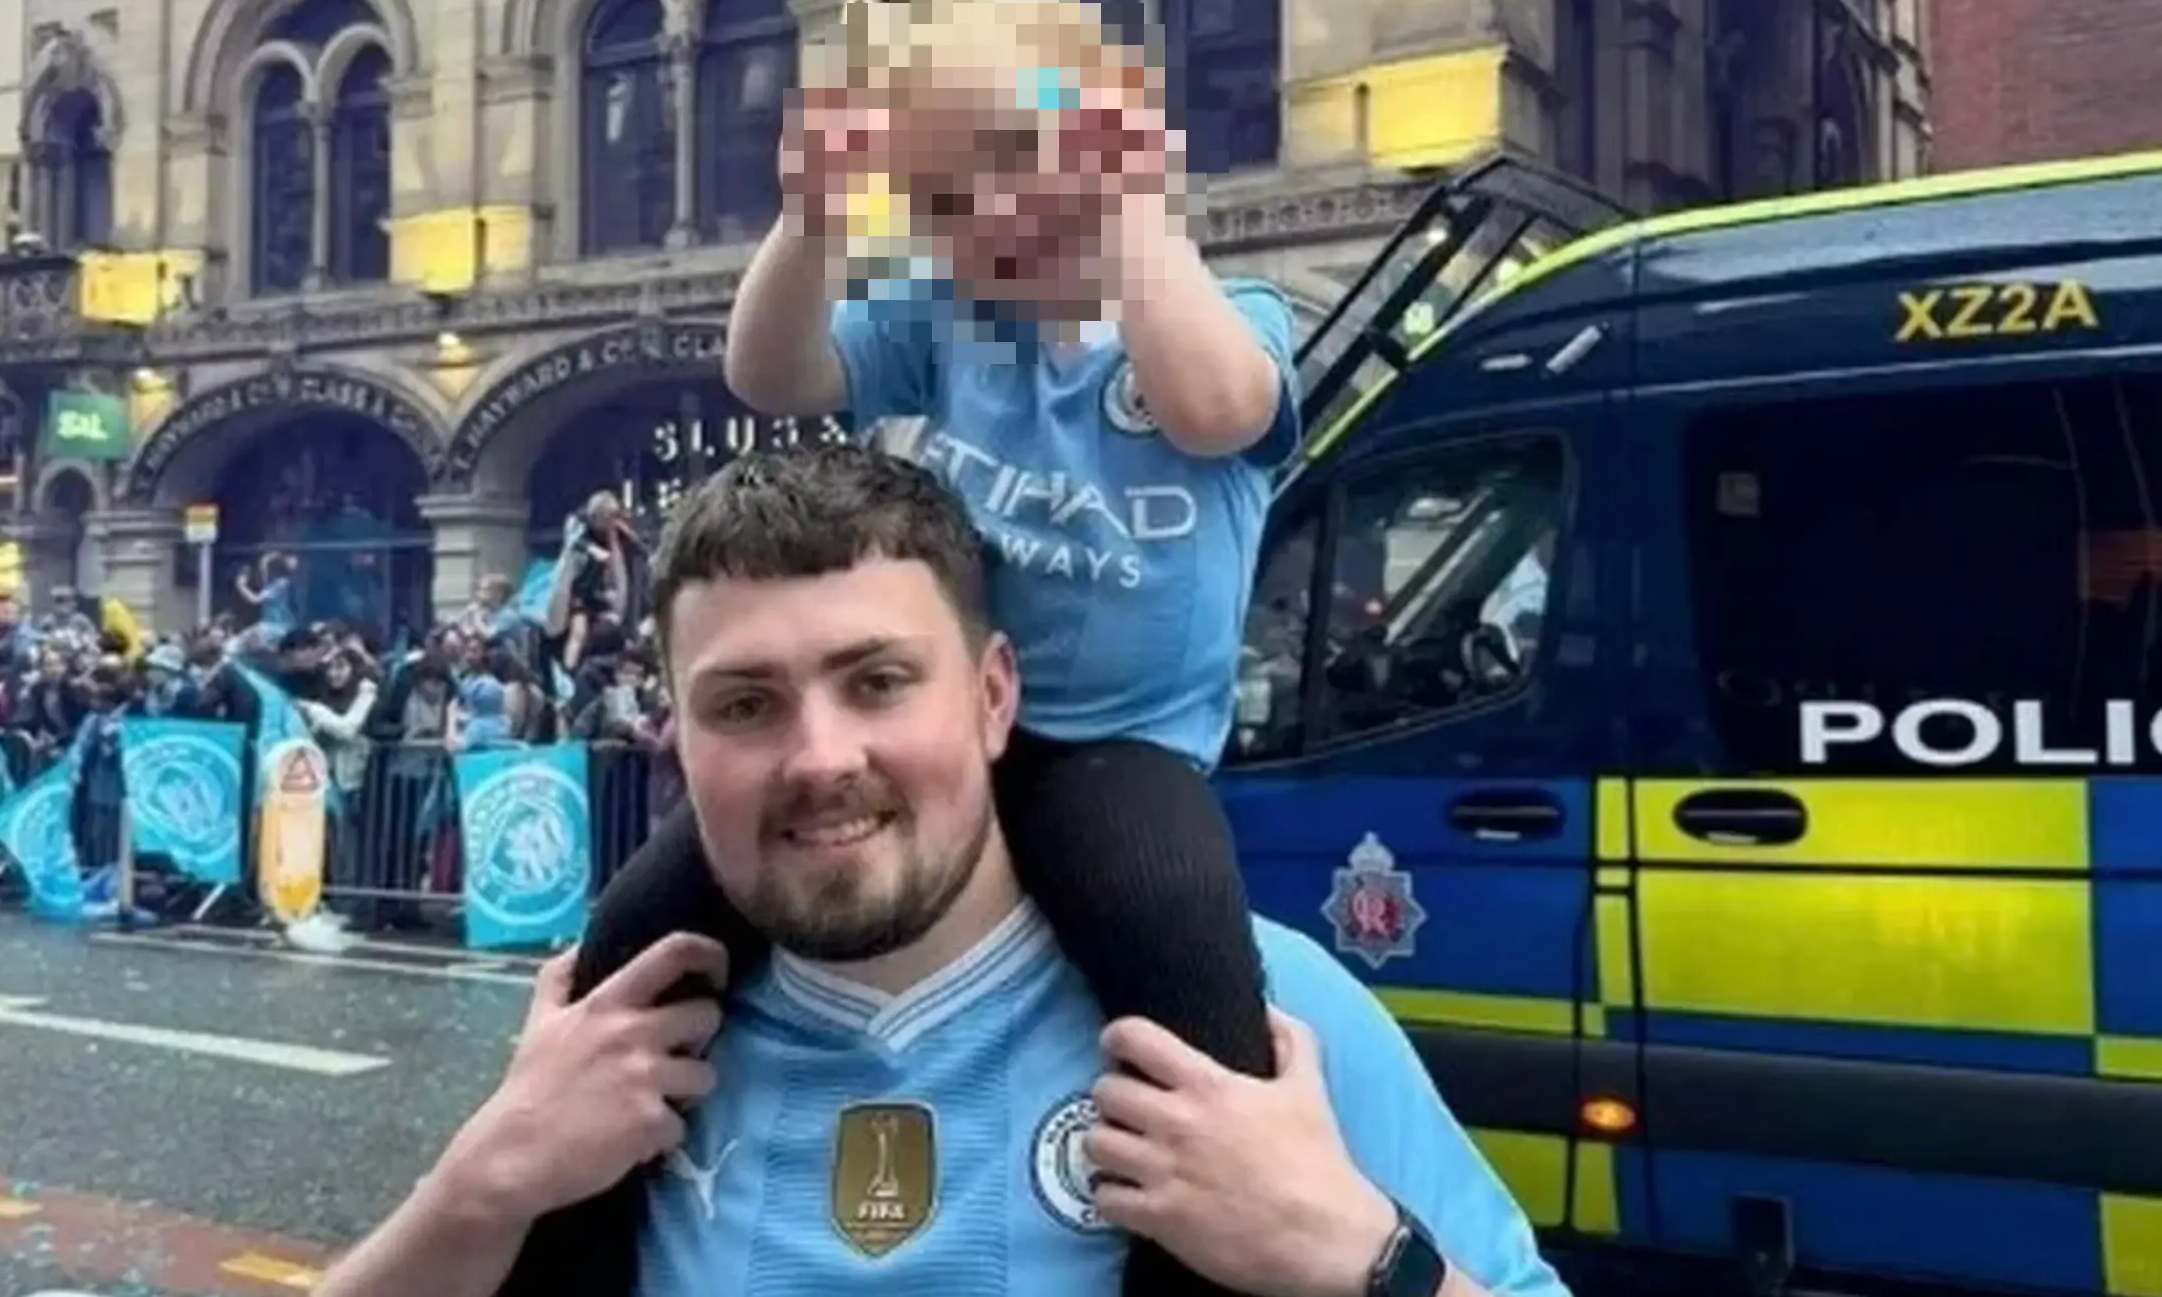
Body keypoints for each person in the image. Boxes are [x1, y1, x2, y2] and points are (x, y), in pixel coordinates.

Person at [316, 447, 1567, 1297]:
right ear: (675, 739)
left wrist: (1362, 1254)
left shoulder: (1261, 1012)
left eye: (877, 681)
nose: (819, 756)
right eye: (745, 703)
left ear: (993, 695)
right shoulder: (610, 1047)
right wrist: (480, 1184)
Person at [556, 0, 1299, 1293]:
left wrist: (1125, 208)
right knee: (639, 924)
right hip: (935, 724)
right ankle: (567, 1232)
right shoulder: (939, 325)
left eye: (1019, 164)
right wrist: (811, 218)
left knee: (1182, 953)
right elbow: (767, 374)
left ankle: (1210, 1259)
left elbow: (1217, 410)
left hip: (1116, 753)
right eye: (948, 200)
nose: (992, 219)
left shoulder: (1217, 321)